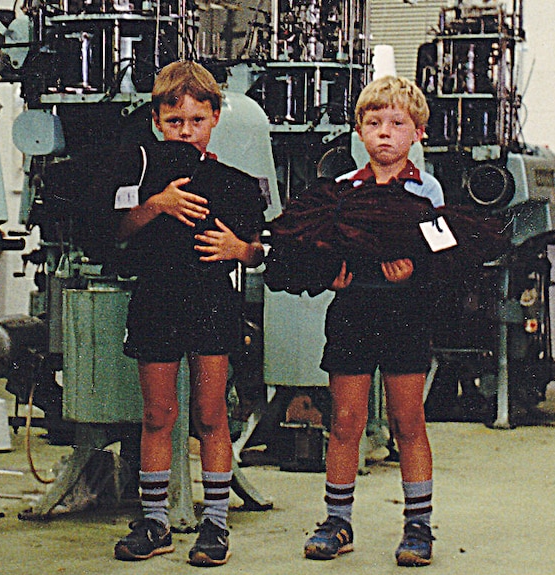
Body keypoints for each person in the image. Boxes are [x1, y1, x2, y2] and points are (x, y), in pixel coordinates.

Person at [112, 61, 265, 567]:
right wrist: (157, 204)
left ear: (216, 117)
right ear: (157, 120)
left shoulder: (236, 184)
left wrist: (238, 249)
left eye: (196, 120)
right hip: (155, 300)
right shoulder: (137, 178)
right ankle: (155, 521)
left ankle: (215, 524)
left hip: (210, 303)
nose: (185, 131)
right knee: (157, 414)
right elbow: (112, 235)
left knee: (210, 414)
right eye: (174, 121)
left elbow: (263, 248)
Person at [295, 75, 442, 567]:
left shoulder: (429, 190)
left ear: (417, 132)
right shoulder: (339, 192)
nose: (386, 132)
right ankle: (338, 521)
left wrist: (415, 272)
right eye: (374, 122)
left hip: (407, 315)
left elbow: (445, 255)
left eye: (398, 123)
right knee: (346, 421)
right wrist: (329, 276)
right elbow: (321, 250)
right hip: (353, 312)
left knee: (408, 421)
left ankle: (418, 527)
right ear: (358, 131)